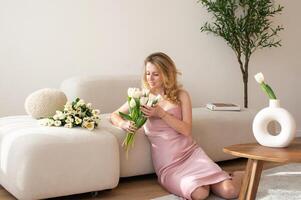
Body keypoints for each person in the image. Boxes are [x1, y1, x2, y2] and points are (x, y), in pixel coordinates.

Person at [110, 52, 243, 200]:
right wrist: (124, 123)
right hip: (168, 164)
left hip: (191, 154)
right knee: (200, 193)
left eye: (156, 74)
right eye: (148, 73)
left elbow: (186, 130)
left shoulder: (181, 95)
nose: (150, 78)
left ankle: (238, 175)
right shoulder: (142, 97)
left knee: (230, 191)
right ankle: (208, 182)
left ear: (167, 74)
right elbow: (114, 115)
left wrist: (161, 113)